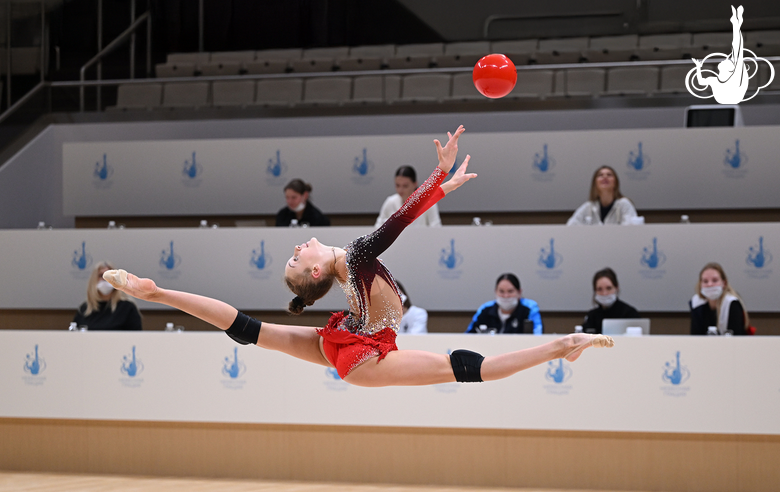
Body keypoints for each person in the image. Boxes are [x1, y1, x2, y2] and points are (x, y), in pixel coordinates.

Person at [102, 126, 613, 388]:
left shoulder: (346, 265)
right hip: (365, 353)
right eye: (296, 258)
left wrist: (157, 293)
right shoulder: (355, 255)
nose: (298, 246)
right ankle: (562, 344)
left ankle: (157, 292)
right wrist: (438, 180)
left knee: (250, 332)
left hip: (351, 340)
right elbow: (398, 223)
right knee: (465, 368)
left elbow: (241, 324)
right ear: (316, 271)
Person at [73, 261, 142, 331]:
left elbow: (136, 337)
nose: (105, 279)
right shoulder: (85, 309)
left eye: (109, 276)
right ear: (94, 280)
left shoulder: (128, 308)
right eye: (101, 275)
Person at [466, 273, 542, 335]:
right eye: (501, 291)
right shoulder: (485, 310)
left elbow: (537, 336)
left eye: (510, 291)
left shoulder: (529, 310)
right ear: (495, 292)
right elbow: (468, 335)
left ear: (519, 292)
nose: (506, 296)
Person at [566, 166, 638, 226]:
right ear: (595, 184)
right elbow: (570, 227)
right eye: (600, 175)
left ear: (615, 183)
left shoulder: (624, 204)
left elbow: (631, 230)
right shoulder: (588, 206)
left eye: (609, 175)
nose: (605, 177)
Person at [690, 262, 748, 335]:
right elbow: (695, 335)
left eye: (715, 280)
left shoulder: (731, 303)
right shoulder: (696, 303)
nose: (710, 284)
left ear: (724, 283)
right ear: (700, 284)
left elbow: (736, 336)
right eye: (705, 281)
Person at [375, 166, 442, 228]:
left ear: (415, 184)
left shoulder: (428, 202)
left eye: (405, 186)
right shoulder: (390, 202)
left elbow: (436, 228)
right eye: (397, 185)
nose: (400, 190)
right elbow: (377, 228)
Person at [582, 268, 639, 334]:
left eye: (609, 288)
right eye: (599, 289)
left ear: (616, 288)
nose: (604, 293)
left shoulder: (629, 314)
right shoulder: (592, 316)